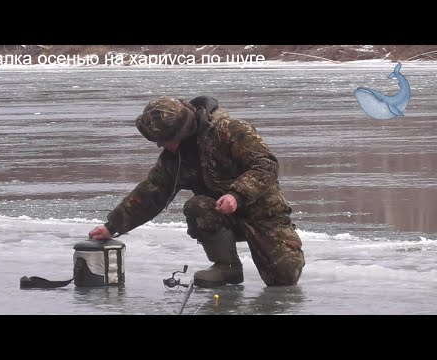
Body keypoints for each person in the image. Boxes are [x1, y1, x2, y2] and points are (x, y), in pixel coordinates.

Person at [89, 96, 305, 288]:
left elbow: (266, 165)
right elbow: (151, 194)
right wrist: (112, 226)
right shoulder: (175, 158)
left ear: (181, 132)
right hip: (219, 216)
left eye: (163, 140)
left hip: (263, 214)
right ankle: (226, 266)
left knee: (284, 278)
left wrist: (236, 195)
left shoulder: (230, 130)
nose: (160, 146)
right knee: (196, 206)